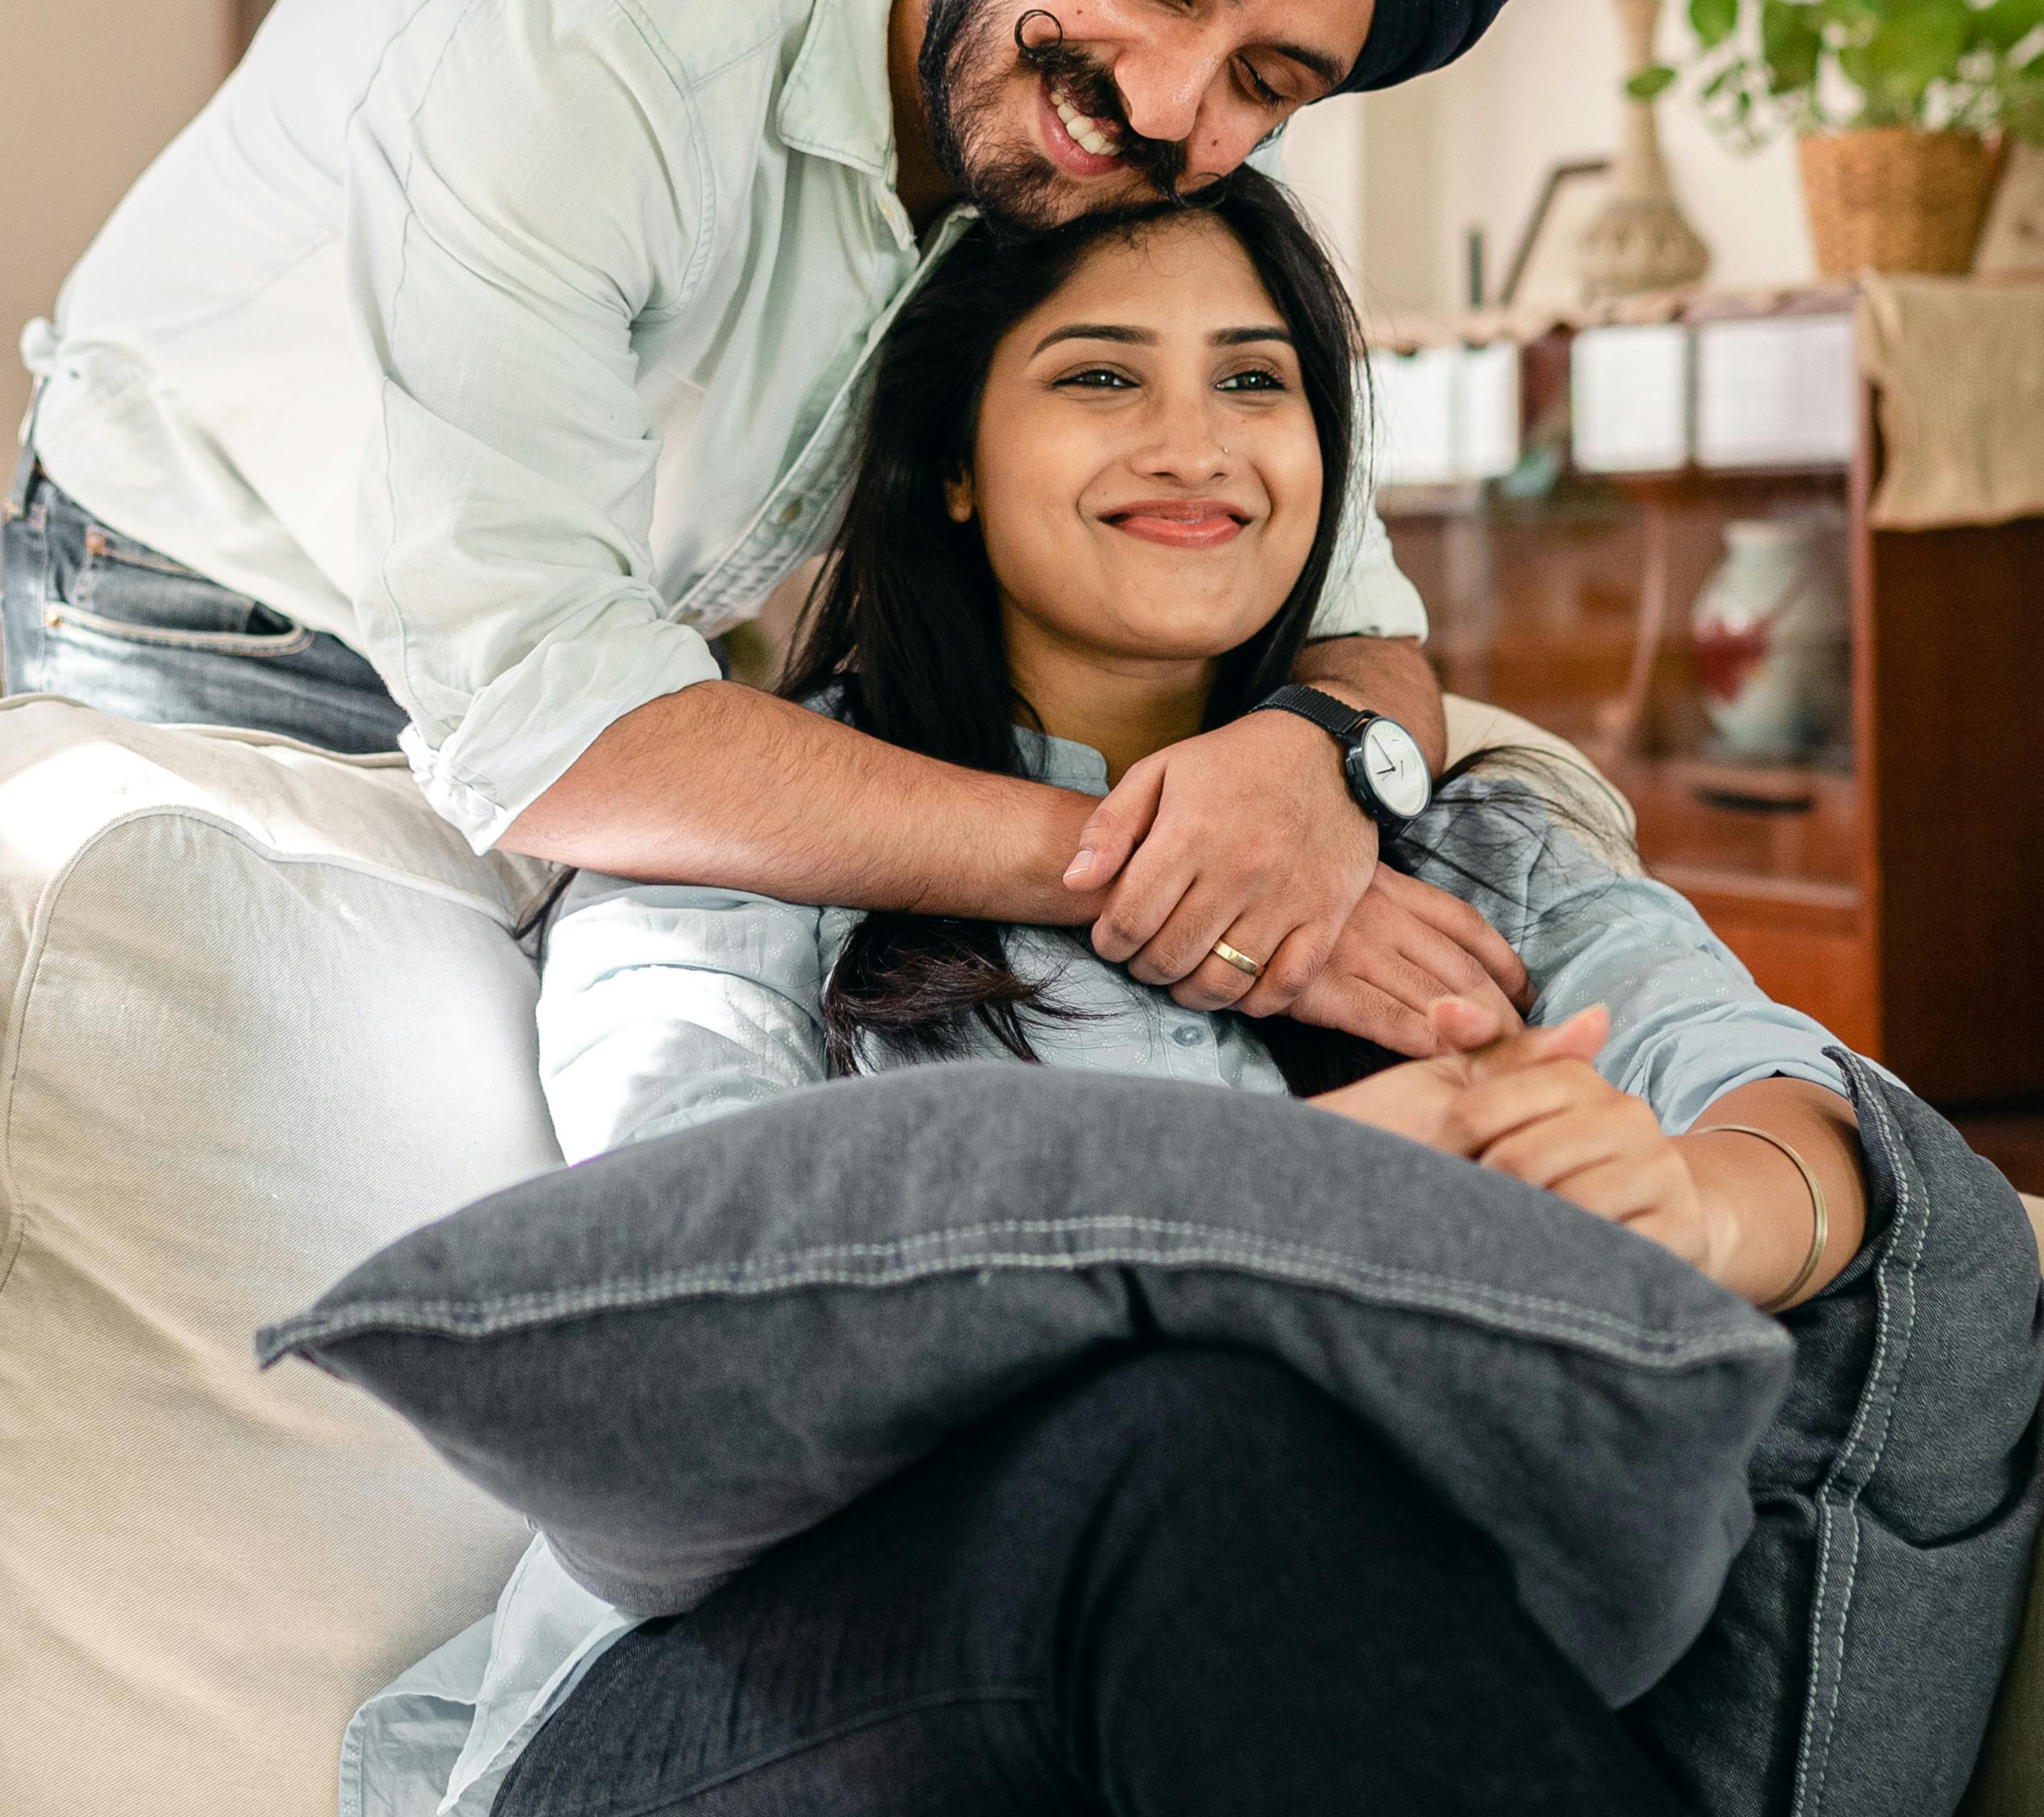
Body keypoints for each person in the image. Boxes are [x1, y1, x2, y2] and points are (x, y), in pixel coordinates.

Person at [346, 172, 1899, 1817]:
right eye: (1100, 376)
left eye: (1254, 379)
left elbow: (1791, 1112)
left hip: (1303, 1708)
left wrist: (1681, 1214)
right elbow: (712, 1263)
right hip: (740, 1703)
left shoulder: (1479, 852)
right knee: (1189, 1447)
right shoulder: (747, 848)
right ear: (949, 460)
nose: (1195, 443)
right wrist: (1313, 1208)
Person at [3, 0, 1575, 1057]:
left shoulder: (1165, 131)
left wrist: (1310, 768)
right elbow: (559, 729)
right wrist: (1160, 877)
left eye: (1272, 79)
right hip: (209, 628)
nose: (1176, 104)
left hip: (630, 666)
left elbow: (1356, 622)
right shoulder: (570, 36)